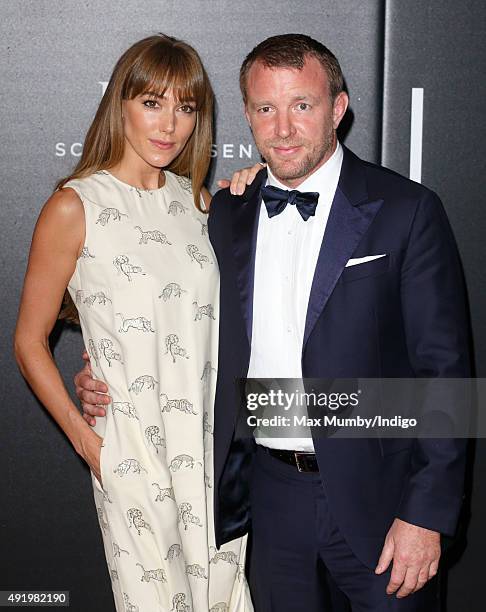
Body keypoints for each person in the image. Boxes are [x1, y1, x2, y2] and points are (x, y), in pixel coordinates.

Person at [77, 34, 470, 611]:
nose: (283, 129)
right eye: (266, 109)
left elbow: (446, 373)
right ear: (247, 115)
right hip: (268, 497)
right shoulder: (227, 212)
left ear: (337, 109)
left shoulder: (406, 211)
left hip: (383, 500)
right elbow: (168, 316)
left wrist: (426, 514)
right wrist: (100, 372)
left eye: (302, 106)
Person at [14, 34, 258, 612]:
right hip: (133, 454)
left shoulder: (201, 204)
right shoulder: (75, 206)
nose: (170, 123)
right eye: (152, 102)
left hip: (213, 453)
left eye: (186, 107)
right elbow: (28, 341)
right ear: (119, 104)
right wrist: (90, 446)